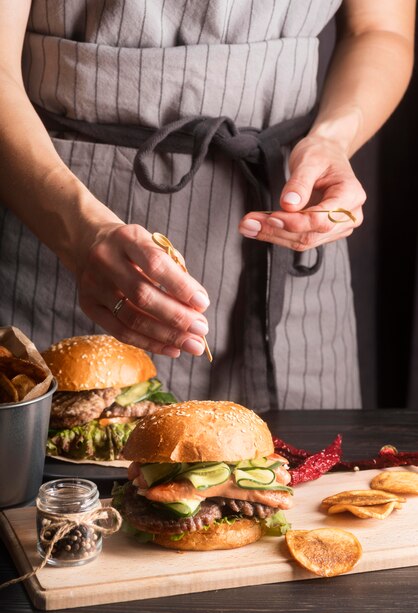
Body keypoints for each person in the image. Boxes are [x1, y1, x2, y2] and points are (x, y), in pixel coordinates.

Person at [0, 1, 414, 411]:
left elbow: (380, 30)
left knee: (322, 476)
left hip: (294, 249)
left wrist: (333, 139)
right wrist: (79, 234)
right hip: (64, 239)